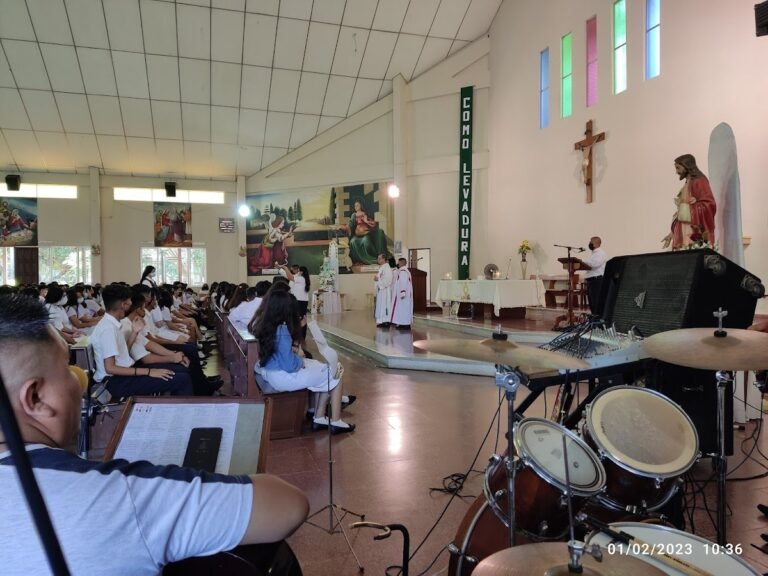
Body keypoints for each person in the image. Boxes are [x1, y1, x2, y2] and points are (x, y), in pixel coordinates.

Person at [0, 293, 309, 575]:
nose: (79, 381)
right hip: (123, 380)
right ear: (36, 398)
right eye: (67, 368)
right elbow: (289, 505)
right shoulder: (116, 495)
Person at [249, 289, 355, 434]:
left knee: (321, 368)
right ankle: (335, 421)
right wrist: (300, 358)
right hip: (283, 377)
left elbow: (277, 352)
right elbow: (290, 366)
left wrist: (296, 355)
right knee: (335, 371)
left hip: (270, 371)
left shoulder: (266, 323)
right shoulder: (282, 329)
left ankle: (318, 416)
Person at [89, 284, 194, 398]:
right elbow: (110, 368)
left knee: (182, 373)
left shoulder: (112, 324)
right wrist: (148, 372)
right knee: (182, 379)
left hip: (122, 374)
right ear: (123, 304)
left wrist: (134, 333)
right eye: (129, 300)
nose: (131, 303)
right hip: (115, 382)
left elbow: (123, 355)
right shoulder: (108, 329)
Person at [662, 154, 717, 250]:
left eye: (678, 168)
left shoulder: (699, 181)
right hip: (684, 231)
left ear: (686, 166)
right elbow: (681, 215)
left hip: (692, 233)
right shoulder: (688, 182)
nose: (676, 172)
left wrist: (690, 208)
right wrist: (671, 234)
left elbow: (709, 204)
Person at [348, 199, 388, 265]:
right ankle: (359, 258)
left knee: (366, 240)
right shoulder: (354, 215)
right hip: (357, 235)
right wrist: (348, 228)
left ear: (361, 206)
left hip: (366, 233)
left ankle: (370, 257)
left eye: (357, 205)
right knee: (353, 241)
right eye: (355, 206)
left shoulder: (365, 214)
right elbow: (351, 224)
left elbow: (371, 223)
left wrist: (366, 221)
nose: (356, 207)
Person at [581, 236, 607, 315]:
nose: (589, 243)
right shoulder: (594, 254)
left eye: (591, 242)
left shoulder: (600, 253)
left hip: (596, 280)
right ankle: (594, 318)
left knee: (596, 301)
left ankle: (598, 321)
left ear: (596, 244)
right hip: (592, 280)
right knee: (592, 302)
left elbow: (594, 264)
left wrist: (583, 262)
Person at [390, 258, 413, 330]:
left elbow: (403, 283)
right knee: (402, 309)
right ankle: (403, 323)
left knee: (404, 309)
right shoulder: (405, 271)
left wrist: (402, 293)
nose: (398, 264)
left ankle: (405, 324)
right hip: (404, 294)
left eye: (399, 262)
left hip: (403, 295)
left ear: (402, 263)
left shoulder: (403, 271)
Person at [374, 253, 393, 328]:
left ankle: (386, 321)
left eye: (379, 258)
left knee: (385, 306)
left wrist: (378, 280)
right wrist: (376, 280)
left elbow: (388, 280)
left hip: (385, 290)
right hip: (381, 290)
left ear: (383, 259)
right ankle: (381, 321)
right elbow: (380, 278)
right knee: (380, 306)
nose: (378, 260)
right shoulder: (382, 267)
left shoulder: (387, 268)